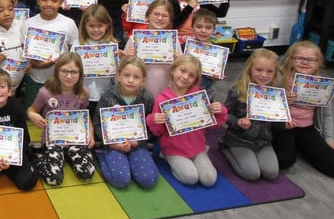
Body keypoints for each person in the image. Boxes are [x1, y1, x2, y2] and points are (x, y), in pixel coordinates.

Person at [147, 55, 227, 186]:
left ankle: (195, 157)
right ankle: (166, 156)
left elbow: (212, 125)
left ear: (195, 79)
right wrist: (153, 120)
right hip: (174, 149)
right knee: (190, 178)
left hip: (198, 147)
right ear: (173, 70)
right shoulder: (162, 98)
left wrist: (220, 111)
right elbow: (158, 132)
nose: (185, 77)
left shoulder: (199, 96)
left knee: (209, 180)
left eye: (191, 75)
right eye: (182, 71)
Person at [272, 41, 334, 178]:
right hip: (281, 126)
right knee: (284, 160)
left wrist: (329, 140)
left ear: (319, 63)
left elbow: (327, 116)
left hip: (306, 128)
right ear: (290, 59)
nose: (305, 62)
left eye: (311, 60)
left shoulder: (322, 85)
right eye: (299, 58)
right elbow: (264, 106)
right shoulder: (278, 78)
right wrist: (283, 101)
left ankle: (299, 145)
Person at [26, 52, 95, 186]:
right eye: (64, 71)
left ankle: (67, 155)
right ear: (57, 71)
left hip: (75, 138)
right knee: (54, 179)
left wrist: (90, 132)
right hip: (53, 139)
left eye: (74, 72)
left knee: (87, 174)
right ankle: (38, 154)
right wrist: (32, 115)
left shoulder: (83, 93)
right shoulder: (45, 92)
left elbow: (85, 115)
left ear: (80, 74)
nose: (69, 76)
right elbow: (31, 110)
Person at [93, 57, 159, 189]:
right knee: (121, 180)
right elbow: (97, 123)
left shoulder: (147, 98)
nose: (130, 80)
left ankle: (132, 163)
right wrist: (112, 144)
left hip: (137, 144)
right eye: (126, 75)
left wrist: (137, 143)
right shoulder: (108, 96)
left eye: (136, 77)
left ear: (143, 80)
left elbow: (150, 127)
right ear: (118, 75)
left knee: (149, 180)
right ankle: (102, 155)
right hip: (113, 144)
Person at [220, 48, 280, 181]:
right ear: (250, 69)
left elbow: (277, 118)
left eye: (269, 71)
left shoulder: (276, 93)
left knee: (271, 173)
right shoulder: (238, 90)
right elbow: (225, 114)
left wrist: (285, 120)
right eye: (259, 70)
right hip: (239, 139)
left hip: (263, 141)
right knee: (252, 174)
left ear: (275, 73)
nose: (264, 75)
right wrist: (238, 123)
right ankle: (225, 147)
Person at [22, 0, 79, 107]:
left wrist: (60, 61)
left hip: (62, 82)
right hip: (36, 79)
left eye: (54, 0)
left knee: (57, 115)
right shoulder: (28, 23)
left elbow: (73, 51)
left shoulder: (69, 23)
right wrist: (37, 64)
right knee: (32, 116)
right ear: (38, 0)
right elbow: (25, 52)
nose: (48, 4)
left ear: (61, 2)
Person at [124, 0, 181, 98]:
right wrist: (129, 58)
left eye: (165, 16)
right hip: (139, 92)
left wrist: (179, 61)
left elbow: (180, 69)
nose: (160, 18)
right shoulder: (135, 38)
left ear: (169, 20)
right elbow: (123, 67)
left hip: (165, 90)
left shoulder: (174, 41)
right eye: (156, 14)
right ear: (147, 16)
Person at [71, 4, 120, 119]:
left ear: (107, 25)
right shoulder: (77, 44)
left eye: (100, 25)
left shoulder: (112, 46)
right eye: (91, 26)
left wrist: (122, 61)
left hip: (106, 97)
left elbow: (118, 76)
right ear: (84, 26)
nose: (96, 30)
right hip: (81, 97)